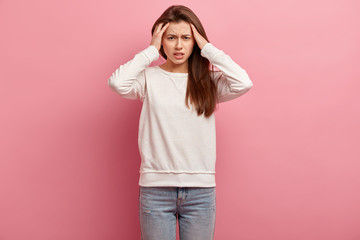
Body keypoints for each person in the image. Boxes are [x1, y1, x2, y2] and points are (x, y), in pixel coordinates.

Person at [107, 5, 253, 240]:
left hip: (200, 192)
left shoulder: (208, 82)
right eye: (171, 37)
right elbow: (117, 83)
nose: (178, 45)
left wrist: (208, 49)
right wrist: (150, 52)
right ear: (161, 41)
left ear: (195, 41)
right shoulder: (148, 78)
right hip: (156, 191)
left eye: (186, 38)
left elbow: (243, 83)